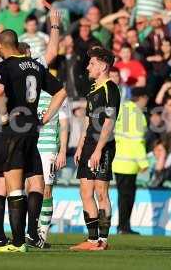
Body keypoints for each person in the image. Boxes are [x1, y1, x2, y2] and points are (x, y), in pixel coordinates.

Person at [0, 29, 66, 253]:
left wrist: (4, 115)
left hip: (14, 129)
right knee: (36, 182)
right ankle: (32, 234)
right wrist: (45, 117)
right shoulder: (36, 66)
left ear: (0, 45)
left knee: (14, 188)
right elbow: (61, 92)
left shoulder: (4, 66)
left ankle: (16, 243)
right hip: (33, 129)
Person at [71, 46, 120, 251]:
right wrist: (81, 145)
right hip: (89, 145)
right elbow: (88, 120)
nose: (88, 66)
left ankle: (103, 240)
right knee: (85, 192)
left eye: (92, 63)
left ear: (103, 66)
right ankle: (92, 240)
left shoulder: (111, 88)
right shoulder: (93, 90)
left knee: (101, 192)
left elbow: (109, 122)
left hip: (104, 145)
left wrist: (99, 149)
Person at [112, 87, 149, 235]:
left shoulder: (122, 109)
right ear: (142, 98)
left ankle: (122, 226)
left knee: (122, 196)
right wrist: (143, 163)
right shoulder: (137, 115)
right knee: (128, 197)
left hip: (118, 160)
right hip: (130, 162)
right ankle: (124, 227)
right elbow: (137, 141)